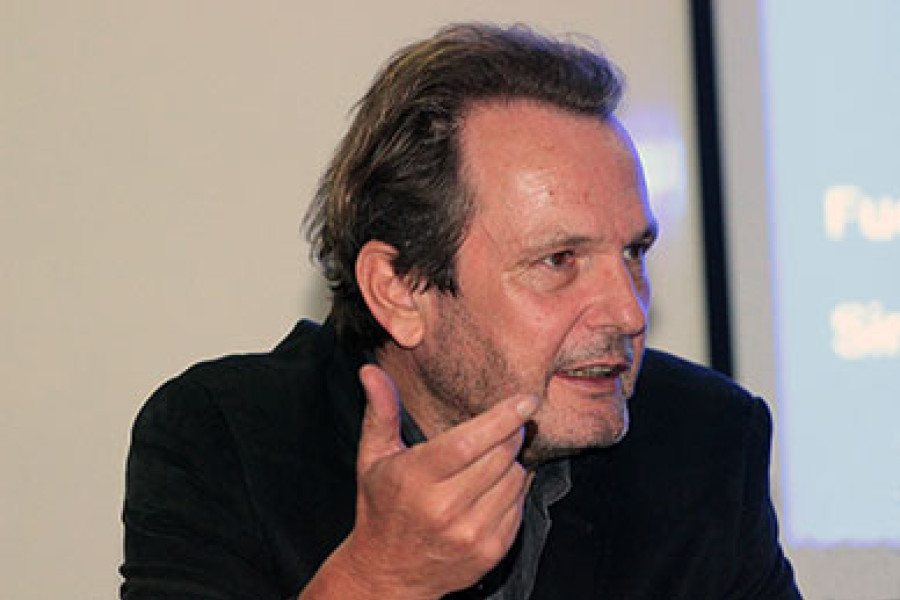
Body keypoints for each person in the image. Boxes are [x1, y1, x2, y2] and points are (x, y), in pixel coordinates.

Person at [120, 23, 802, 600]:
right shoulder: (226, 440)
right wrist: (377, 579)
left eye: (633, 253)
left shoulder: (706, 441)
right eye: (559, 260)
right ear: (399, 289)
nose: (628, 312)